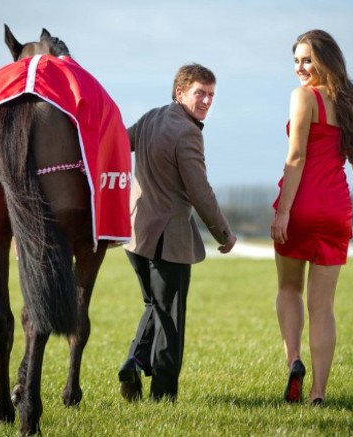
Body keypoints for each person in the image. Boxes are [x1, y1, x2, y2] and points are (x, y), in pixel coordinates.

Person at [118, 63, 237, 402]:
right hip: (166, 240)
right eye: (200, 93)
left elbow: (117, 143)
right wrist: (224, 234)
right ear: (180, 92)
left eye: (211, 95)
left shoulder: (151, 117)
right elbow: (199, 191)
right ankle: (163, 396)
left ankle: (134, 361)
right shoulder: (188, 132)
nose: (206, 101)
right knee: (169, 317)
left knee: (154, 306)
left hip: (134, 233)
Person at [270, 29, 353, 406]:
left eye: (307, 59)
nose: (300, 67)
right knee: (323, 307)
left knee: (288, 289)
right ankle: (318, 393)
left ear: (325, 60)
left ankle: (294, 361)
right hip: (336, 211)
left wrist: (283, 212)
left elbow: (296, 157)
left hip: (300, 205)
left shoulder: (303, 97)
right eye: (296, 60)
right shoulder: (350, 105)